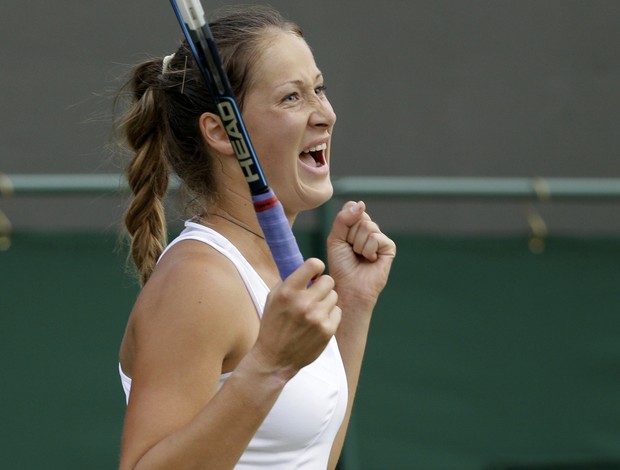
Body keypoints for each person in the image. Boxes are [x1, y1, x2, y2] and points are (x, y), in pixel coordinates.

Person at [115, 5, 396, 469]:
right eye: (292, 97)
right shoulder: (199, 280)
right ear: (224, 132)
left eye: (319, 89)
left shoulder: (281, 278)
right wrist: (270, 364)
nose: (325, 113)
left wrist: (355, 304)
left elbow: (312, 458)